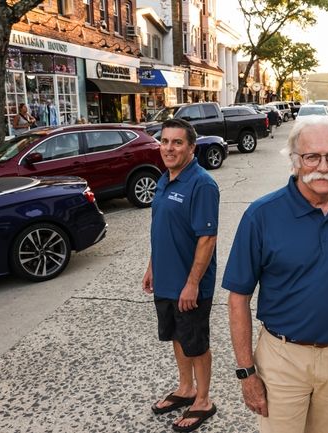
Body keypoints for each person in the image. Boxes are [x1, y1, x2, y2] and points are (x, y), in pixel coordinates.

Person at [223, 116, 328, 433]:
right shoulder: (261, 215)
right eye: (312, 156)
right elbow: (238, 298)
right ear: (296, 162)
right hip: (283, 359)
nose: (323, 166)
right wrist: (246, 372)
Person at [142, 118, 219, 433]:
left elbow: (207, 239)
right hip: (166, 279)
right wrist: (152, 267)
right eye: (164, 141)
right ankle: (185, 388)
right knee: (177, 335)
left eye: (177, 142)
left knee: (196, 343)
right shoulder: (164, 178)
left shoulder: (201, 184)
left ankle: (203, 400)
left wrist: (192, 284)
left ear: (191, 147)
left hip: (190, 286)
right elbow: (162, 230)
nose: (169, 148)